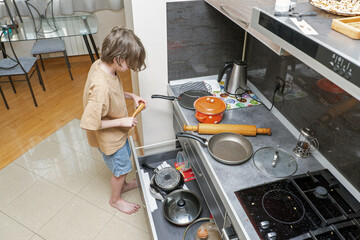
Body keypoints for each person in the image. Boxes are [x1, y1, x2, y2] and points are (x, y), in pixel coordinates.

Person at [80, 27, 147, 215]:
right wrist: (121, 122)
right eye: (129, 63)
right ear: (118, 59)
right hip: (110, 136)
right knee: (121, 169)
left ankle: (123, 186)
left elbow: (113, 93)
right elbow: (89, 122)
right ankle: (115, 199)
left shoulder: (101, 65)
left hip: (119, 133)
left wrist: (131, 95)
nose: (130, 68)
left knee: (124, 163)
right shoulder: (100, 87)